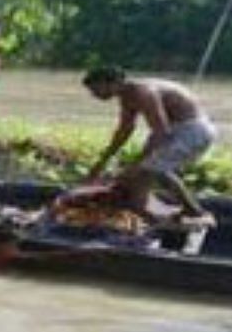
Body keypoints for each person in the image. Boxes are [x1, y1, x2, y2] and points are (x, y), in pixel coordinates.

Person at [78, 67, 215, 221]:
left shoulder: (144, 92)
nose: (94, 95)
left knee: (144, 172)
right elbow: (124, 131)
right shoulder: (127, 96)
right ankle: (191, 210)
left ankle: (141, 218)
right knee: (153, 170)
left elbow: (161, 132)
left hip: (192, 131)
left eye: (96, 89)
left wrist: (137, 164)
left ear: (113, 83)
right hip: (179, 130)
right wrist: (102, 161)